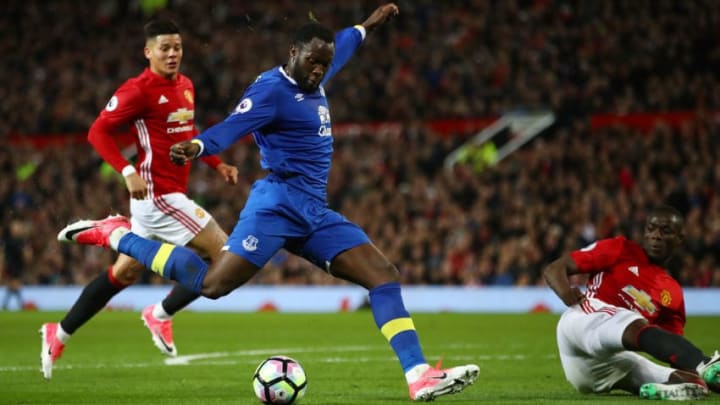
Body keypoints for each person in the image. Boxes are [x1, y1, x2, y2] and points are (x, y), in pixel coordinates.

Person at [57, 4, 479, 401]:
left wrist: (369, 24)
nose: (320, 69)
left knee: (383, 275)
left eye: (324, 63)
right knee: (212, 284)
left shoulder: (318, 71)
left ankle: (417, 374)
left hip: (314, 210)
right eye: (313, 61)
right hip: (276, 206)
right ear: (293, 53)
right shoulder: (270, 90)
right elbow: (232, 125)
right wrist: (201, 145)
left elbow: (345, 44)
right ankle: (118, 235)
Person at [41, 19, 239, 380]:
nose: (172, 53)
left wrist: (216, 163)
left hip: (166, 195)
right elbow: (97, 131)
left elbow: (187, 131)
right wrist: (126, 170)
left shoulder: (186, 86)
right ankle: (158, 310)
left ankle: (61, 331)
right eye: (164, 47)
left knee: (125, 272)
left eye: (177, 47)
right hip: (157, 194)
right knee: (227, 255)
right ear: (148, 52)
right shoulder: (138, 90)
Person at [543, 204, 720, 400]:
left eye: (665, 231)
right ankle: (705, 362)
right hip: (582, 324)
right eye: (651, 228)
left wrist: (701, 375)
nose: (656, 235)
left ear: (680, 238)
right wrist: (566, 293)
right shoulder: (620, 249)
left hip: (608, 366)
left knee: (693, 380)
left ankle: (681, 389)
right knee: (631, 320)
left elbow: (672, 348)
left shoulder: (673, 293)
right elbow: (555, 268)